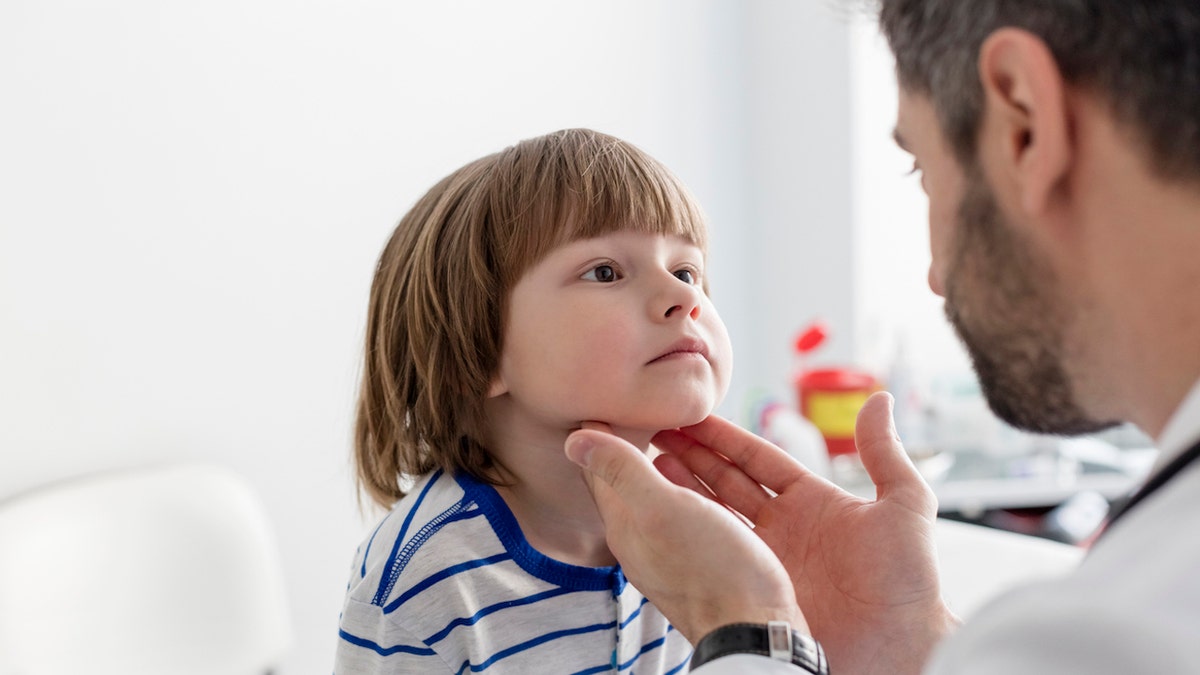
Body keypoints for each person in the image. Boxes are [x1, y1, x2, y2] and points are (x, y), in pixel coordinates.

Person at [563, 1, 1200, 673]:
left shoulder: (1126, 632)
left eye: (922, 169)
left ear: (1025, 123)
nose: (933, 276)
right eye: (605, 271)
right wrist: (902, 634)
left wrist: (750, 631)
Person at [334, 127, 734, 674]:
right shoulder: (423, 580)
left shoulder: (705, 530)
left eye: (687, 270)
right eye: (605, 272)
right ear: (479, 349)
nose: (686, 297)